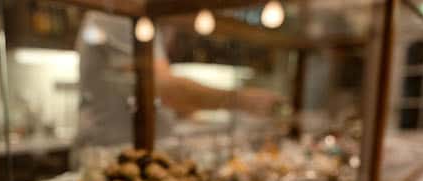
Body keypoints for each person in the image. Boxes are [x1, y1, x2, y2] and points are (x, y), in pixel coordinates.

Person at [75, 11, 281, 148]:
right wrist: (241, 100)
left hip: (142, 153)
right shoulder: (121, 12)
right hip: (110, 157)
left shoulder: (155, 21)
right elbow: (162, 89)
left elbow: (155, 97)